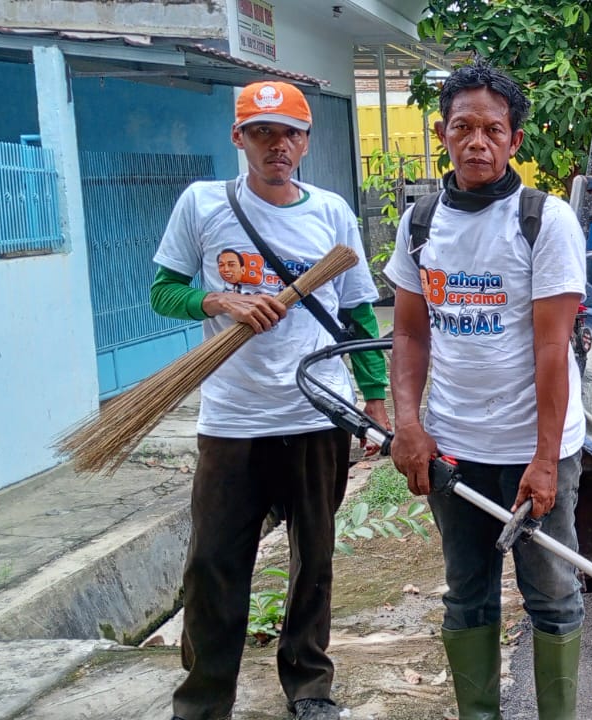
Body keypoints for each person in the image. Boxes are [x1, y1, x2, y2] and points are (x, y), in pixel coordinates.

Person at [150, 80, 390, 720]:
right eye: (262, 133)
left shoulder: (333, 213)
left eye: (289, 134)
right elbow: (162, 291)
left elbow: (358, 313)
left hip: (316, 414)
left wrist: (374, 398)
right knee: (213, 564)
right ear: (239, 138)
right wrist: (217, 300)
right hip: (232, 418)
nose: (276, 146)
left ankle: (309, 688)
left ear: (306, 142)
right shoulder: (203, 205)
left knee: (314, 560)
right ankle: (203, 701)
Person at [386, 60, 586, 720]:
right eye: (463, 127)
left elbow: (552, 347)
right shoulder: (419, 224)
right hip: (454, 448)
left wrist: (547, 459)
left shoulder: (544, 221)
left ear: (514, 140)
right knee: (466, 591)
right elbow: (411, 336)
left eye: (493, 130)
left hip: (534, 449)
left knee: (552, 593)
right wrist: (409, 424)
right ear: (442, 132)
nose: (478, 142)